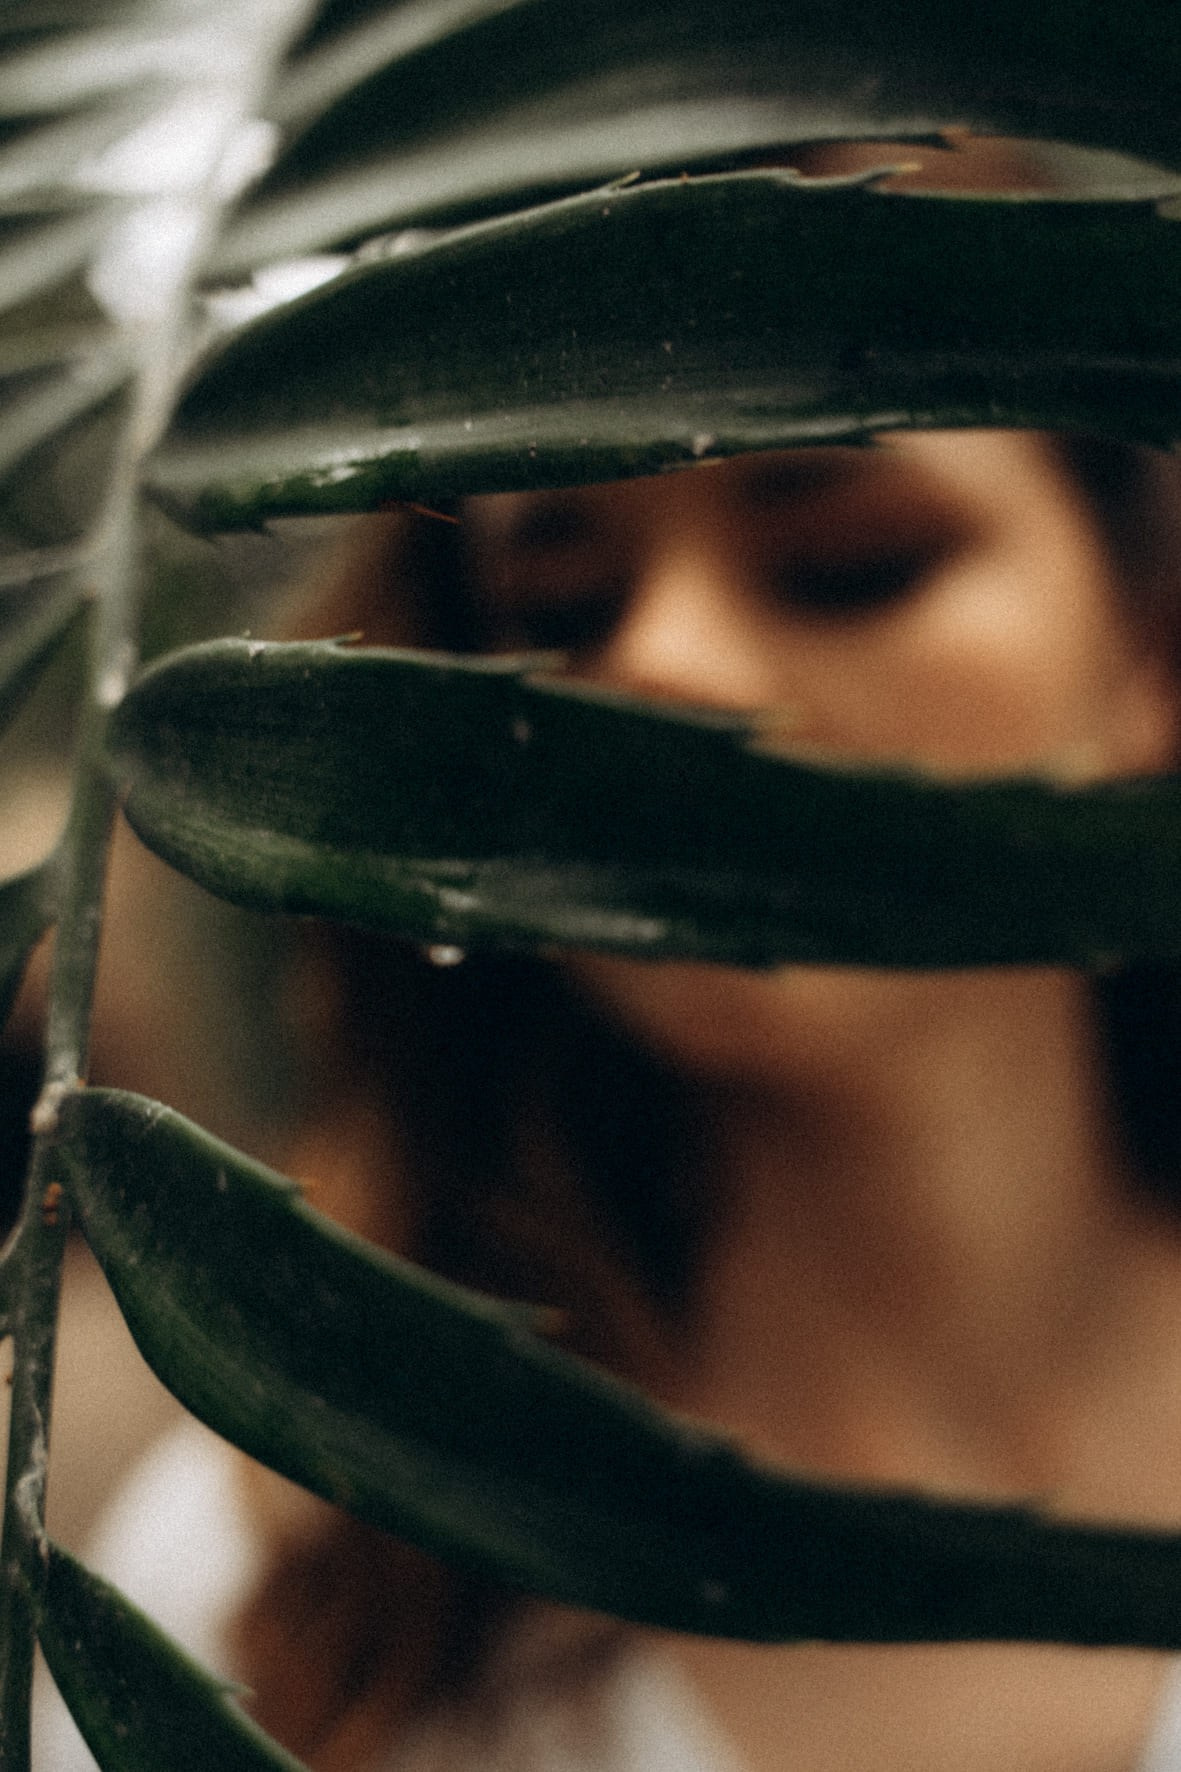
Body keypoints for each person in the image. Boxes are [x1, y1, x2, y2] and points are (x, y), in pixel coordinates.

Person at [39, 419, 1181, 1772]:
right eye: (557, 612)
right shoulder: (285, 1587)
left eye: (844, 562)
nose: (658, 665)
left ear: (1147, 652)